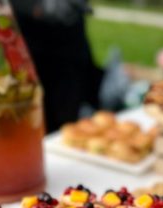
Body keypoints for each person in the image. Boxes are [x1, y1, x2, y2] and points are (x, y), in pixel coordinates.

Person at [11, 0, 103, 133]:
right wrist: (36, 7)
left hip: (68, 46)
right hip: (28, 46)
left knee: (67, 122)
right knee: (29, 119)